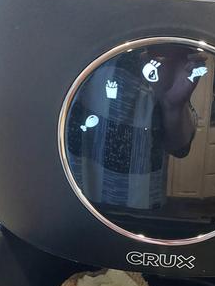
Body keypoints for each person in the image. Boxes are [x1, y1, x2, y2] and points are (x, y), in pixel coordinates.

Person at [66, 46, 204, 211]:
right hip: (72, 189)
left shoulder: (168, 50)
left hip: (141, 202)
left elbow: (179, 147)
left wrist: (172, 107)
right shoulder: (76, 45)